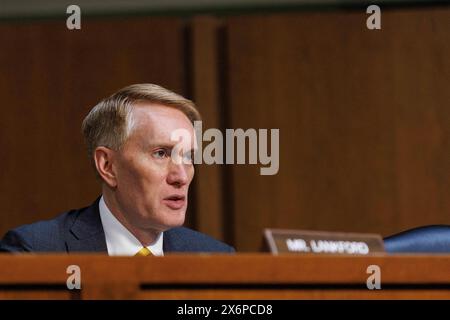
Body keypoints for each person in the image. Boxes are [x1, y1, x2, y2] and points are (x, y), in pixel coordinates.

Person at [0, 84, 234, 255]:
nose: (181, 177)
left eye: (188, 156)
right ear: (108, 166)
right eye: (161, 153)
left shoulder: (217, 258)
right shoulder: (34, 251)